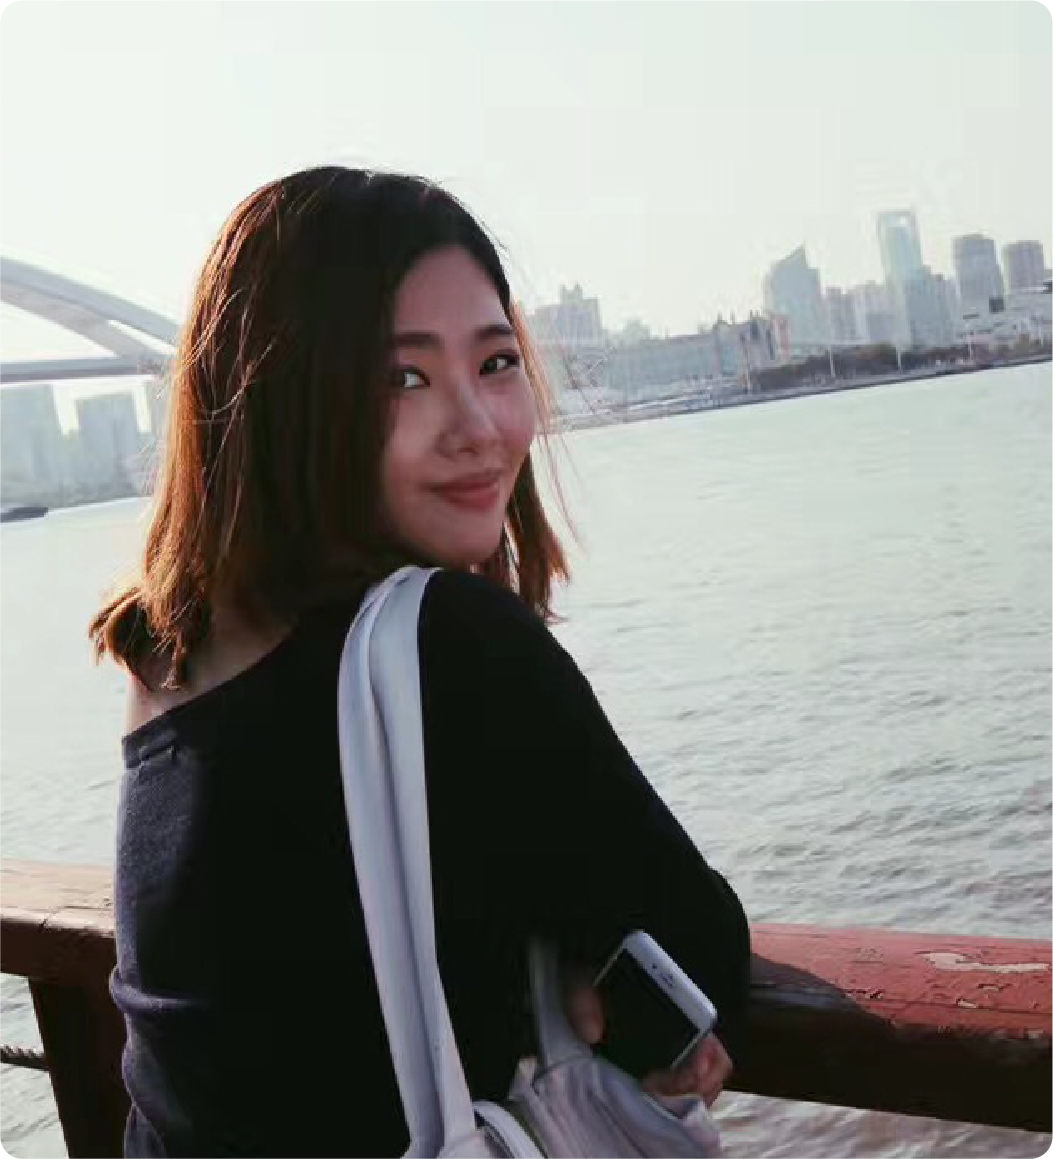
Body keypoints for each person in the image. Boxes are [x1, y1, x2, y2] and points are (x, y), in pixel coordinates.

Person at [90, 166, 751, 1158]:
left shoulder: (168, 659)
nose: (479, 428)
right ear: (285, 402)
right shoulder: (450, 643)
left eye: (494, 363)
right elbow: (697, 953)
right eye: (402, 379)